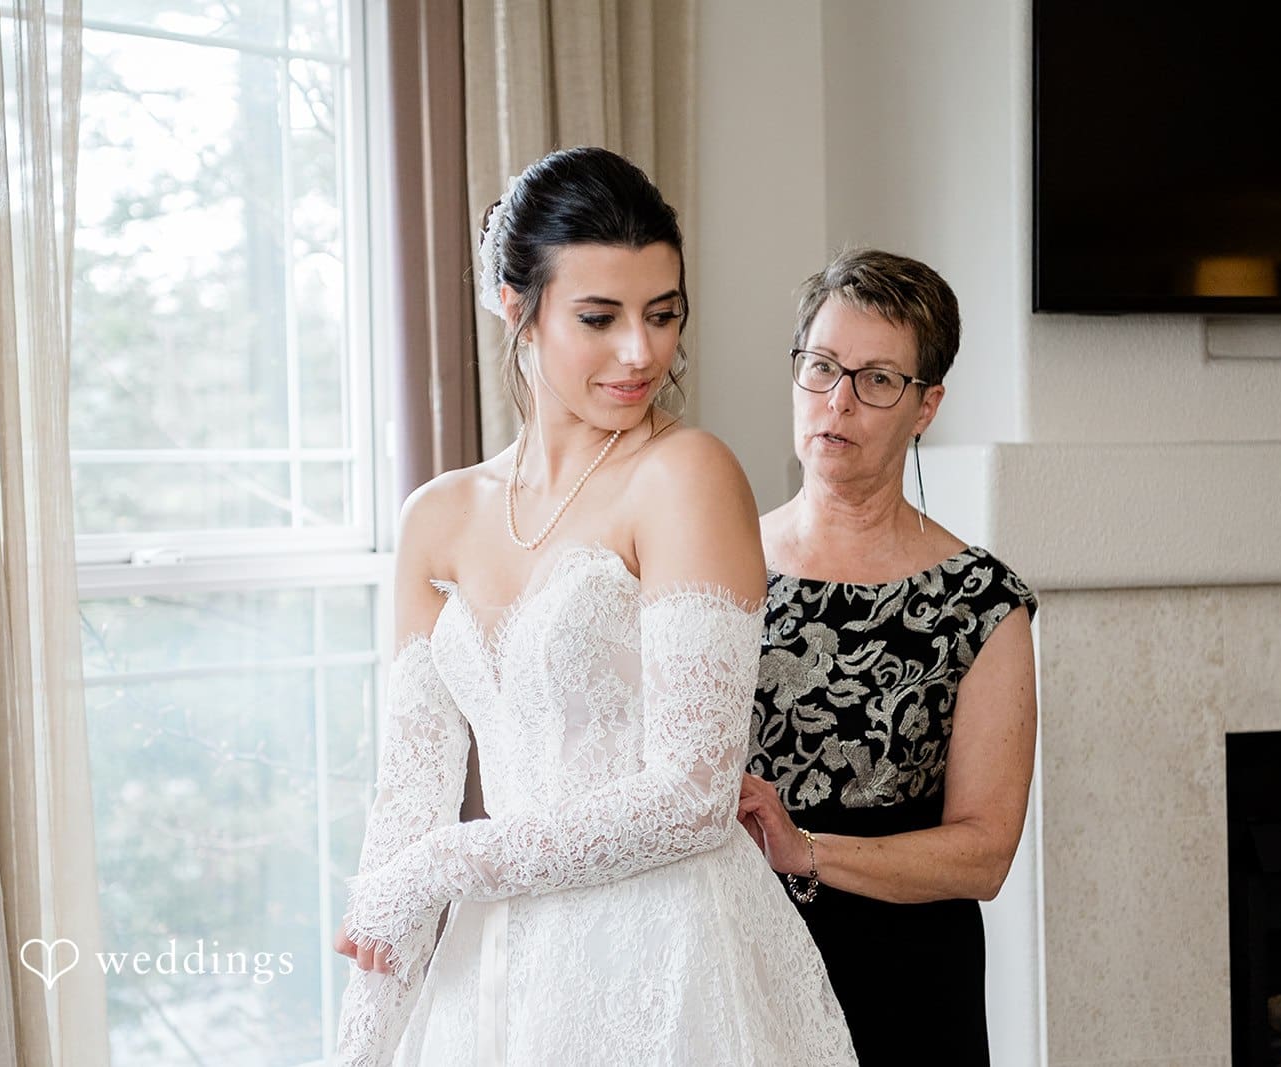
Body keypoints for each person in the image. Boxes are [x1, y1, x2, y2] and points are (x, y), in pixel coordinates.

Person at [331, 147, 856, 1066]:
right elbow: (405, 810)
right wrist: (360, 1043)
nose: (641, 351)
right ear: (515, 306)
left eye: (663, 314)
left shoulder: (686, 475)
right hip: (490, 975)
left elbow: (695, 794)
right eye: (599, 317)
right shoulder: (439, 516)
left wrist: (447, 864)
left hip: (666, 962)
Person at [736, 248, 1039, 1065]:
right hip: (733, 957)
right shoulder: (714, 563)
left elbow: (985, 851)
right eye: (822, 367)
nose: (838, 402)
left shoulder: (983, 600)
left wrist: (807, 850)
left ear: (926, 405)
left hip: (906, 980)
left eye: (875, 379)